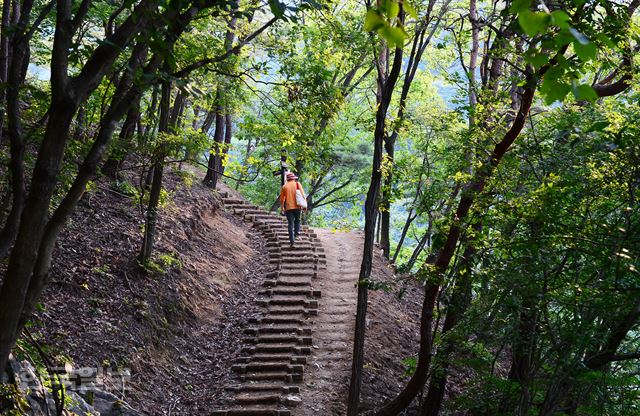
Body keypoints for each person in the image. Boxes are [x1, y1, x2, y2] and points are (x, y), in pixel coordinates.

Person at [280, 171, 306, 247]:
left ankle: (292, 242)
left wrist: (282, 208)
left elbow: (282, 199)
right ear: (294, 179)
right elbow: (303, 195)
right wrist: (305, 205)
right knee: (297, 220)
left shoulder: (285, 186)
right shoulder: (298, 184)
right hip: (298, 206)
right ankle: (297, 233)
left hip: (288, 208)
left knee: (290, 224)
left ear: (287, 179)